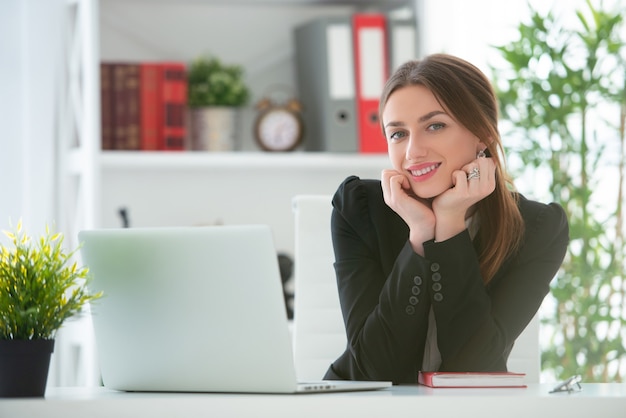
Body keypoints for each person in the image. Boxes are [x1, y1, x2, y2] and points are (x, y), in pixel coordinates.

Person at [323, 53, 569, 384]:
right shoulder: (358, 208)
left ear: (482, 134)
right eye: (398, 134)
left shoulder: (538, 229)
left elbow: (474, 366)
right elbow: (374, 370)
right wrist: (421, 236)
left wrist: (450, 225)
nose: (412, 152)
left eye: (434, 126)